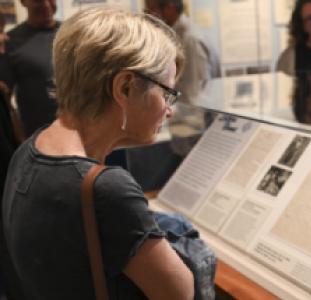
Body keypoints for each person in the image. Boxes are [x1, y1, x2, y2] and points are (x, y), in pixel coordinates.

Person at [2, 8, 196, 299]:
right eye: (166, 93)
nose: (169, 109)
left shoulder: (31, 148)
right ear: (125, 87)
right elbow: (181, 293)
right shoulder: (107, 189)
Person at [0, 0, 60, 137]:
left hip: (82, 135)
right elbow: (5, 101)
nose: (46, 5)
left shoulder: (72, 34)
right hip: (38, 139)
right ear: (23, 2)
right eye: (37, 0)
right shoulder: (9, 42)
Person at [144, 0, 221, 104]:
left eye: (151, 9)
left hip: (194, 115)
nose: (148, 15)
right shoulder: (175, 34)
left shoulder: (190, 40)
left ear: (169, 9)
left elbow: (195, 94)